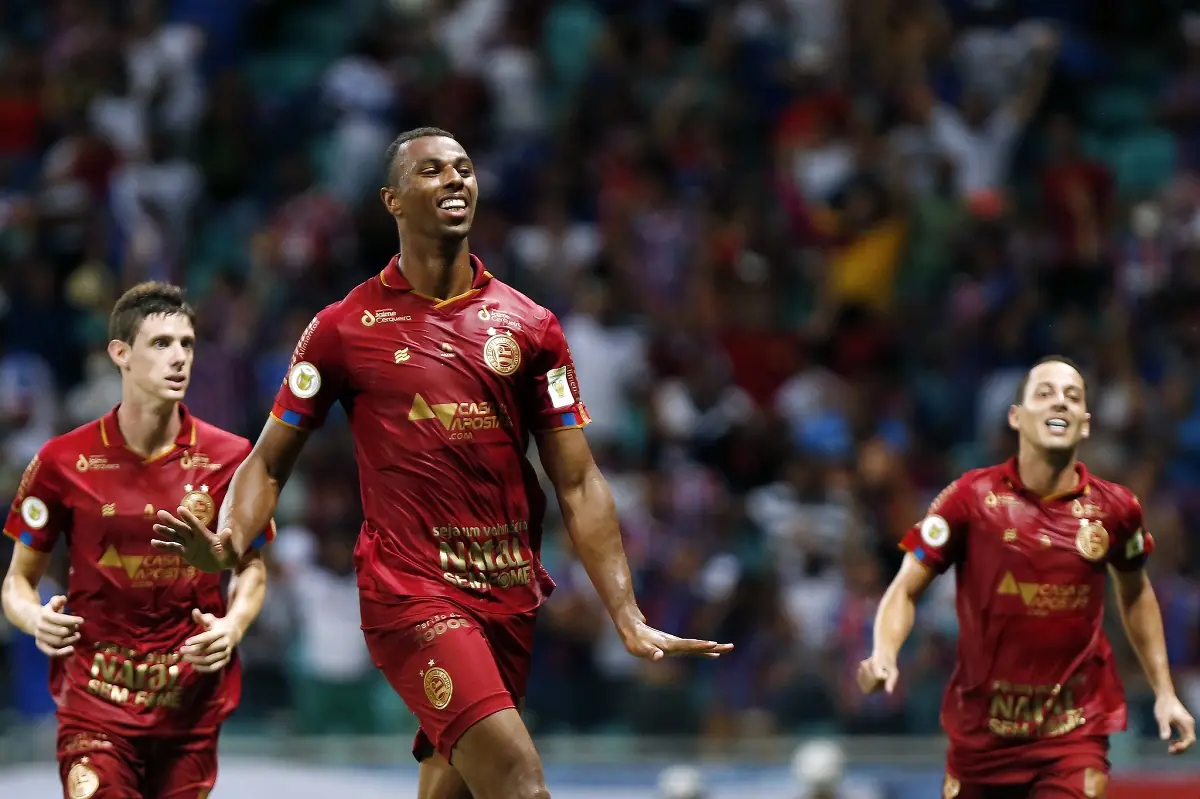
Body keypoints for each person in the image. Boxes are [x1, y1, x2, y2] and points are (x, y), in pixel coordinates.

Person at [152, 127, 734, 799]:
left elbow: (577, 481)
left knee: (451, 790)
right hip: (412, 594)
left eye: (464, 168)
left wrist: (625, 612)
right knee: (520, 783)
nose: (456, 179)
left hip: (509, 595)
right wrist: (228, 543)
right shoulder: (344, 327)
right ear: (393, 200)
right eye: (432, 170)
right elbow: (268, 462)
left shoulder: (530, 326)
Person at [857, 356, 1196, 799]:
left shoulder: (1116, 509)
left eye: (1073, 397)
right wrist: (884, 651)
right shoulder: (969, 499)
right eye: (1045, 393)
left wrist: (1165, 691)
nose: (1060, 402)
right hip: (982, 741)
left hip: (1073, 737)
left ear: (1085, 424)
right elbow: (905, 588)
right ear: (1016, 417)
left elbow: (1135, 593)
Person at [1, 282, 273, 799]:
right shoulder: (61, 462)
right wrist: (35, 618)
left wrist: (233, 625)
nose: (179, 357)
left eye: (187, 343)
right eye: (161, 343)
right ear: (120, 354)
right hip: (95, 705)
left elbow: (251, 567)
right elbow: (17, 581)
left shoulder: (232, 457)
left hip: (188, 710)